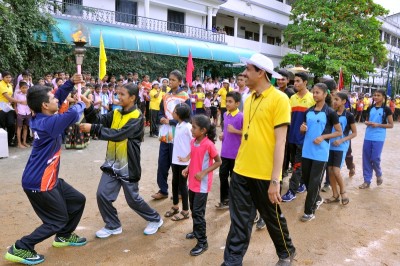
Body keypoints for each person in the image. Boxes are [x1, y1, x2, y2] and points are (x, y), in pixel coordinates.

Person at [4, 74, 88, 265]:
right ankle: (21, 247)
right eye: (53, 99)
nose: (57, 99)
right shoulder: (50, 123)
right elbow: (74, 113)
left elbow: (57, 94)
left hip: (48, 178)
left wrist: (70, 84)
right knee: (57, 220)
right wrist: (83, 102)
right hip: (40, 182)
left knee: (77, 200)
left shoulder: (41, 116)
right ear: (44, 105)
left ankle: (64, 236)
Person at [222, 53, 296, 266]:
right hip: (241, 170)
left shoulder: (280, 99)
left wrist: (275, 180)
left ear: (261, 72)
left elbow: (280, 142)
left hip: (264, 173)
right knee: (239, 221)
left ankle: (286, 252)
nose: (244, 74)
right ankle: (232, 262)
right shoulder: (247, 98)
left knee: (272, 217)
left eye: (248, 69)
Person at [80, 83, 164, 238]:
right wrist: (89, 106)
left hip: (128, 165)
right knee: (102, 194)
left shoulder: (137, 117)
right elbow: (99, 119)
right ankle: (113, 225)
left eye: (122, 94)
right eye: (118, 93)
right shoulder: (116, 113)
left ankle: (155, 219)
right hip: (112, 162)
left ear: (132, 98)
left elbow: (119, 134)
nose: (118, 97)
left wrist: (92, 129)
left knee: (133, 199)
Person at [300, 83, 342, 222]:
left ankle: (309, 211)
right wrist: (302, 128)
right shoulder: (308, 111)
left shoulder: (330, 113)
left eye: (318, 92)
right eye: (314, 92)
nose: (315, 95)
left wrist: (323, 137)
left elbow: (339, 131)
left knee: (314, 182)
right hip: (306, 151)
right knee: (306, 180)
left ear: (325, 94)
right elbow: (304, 129)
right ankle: (317, 198)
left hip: (320, 153)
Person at [180, 114, 221, 256]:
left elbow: (218, 161)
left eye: (194, 127)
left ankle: (203, 242)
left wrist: (204, 172)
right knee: (194, 209)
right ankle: (196, 231)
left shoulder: (208, 144)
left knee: (198, 212)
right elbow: (195, 159)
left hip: (202, 185)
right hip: (192, 182)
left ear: (203, 130)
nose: (191, 129)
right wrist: (187, 168)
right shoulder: (193, 142)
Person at [151, 70, 191, 200]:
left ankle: (180, 191)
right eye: (169, 79)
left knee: (177, 164)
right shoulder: (165, 96)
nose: (170, 82)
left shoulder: (185, 96)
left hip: (178, 134)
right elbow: (161, 112)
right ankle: (163, 190)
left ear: (180, 81)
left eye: (173, 80)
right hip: (165, 134)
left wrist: (172, 121)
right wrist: (162, 118)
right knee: (162, 162)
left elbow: (188, 117)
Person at [282, 72, 315, 202]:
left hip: (304, 139)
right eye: (294, 81)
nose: (295, 83)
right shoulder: (292, 98)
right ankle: (302, 184)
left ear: (305, 82)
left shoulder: (312, 98)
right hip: (291, 138)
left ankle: (292, 190)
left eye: (298, 81)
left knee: (297, 165)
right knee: (294, 163)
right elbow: (288, 118)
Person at [324, 92, 357, 205]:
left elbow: (354, 133)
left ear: (343, 101)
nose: (334, 102)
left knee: (336, 171)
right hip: (329, 146)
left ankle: (343, 192)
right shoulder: (330, 113)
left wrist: (342, 140)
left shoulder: (349, 115)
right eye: (333, 99)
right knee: (330, 171)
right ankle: (335, 195)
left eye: (337, 99)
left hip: (341, 147)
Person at [359, 89, 394, 189]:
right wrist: (367, 123)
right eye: (374, 95)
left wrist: (378, 125)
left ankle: (378, 174)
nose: (376, 97)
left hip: (379, 137)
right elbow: (367, 120)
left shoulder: (386, 109)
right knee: (366, 158)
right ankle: (366, 181)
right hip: (368, 136)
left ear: (383, 97)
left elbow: (391, 125)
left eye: (378, 95)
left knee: (375, 158)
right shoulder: (370, 108)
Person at [164, 103, 192, 221]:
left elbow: (195, 143)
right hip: (176, 160)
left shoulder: (188, 127)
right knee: (175, 182)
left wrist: (187, 158)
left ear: (179, 114)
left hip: (184, 163)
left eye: (175, 111)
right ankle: (175, 206)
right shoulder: (178, 125)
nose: (173, 113)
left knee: (182, 185)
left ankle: (185, 210)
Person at [216, 91, 243, 209]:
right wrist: (222, 135)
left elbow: (247, 133)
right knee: (222, 175)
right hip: (225, 152)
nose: (227, 103)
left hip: (236, 154)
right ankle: (224, 199)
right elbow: (226, 130)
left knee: (234, 179)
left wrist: (236, 131)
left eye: (230, 101)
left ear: (237, 103)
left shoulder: (241, 116)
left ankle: (234, 201)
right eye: (226, 101)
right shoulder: (225, 114)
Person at [0, 71, 18, 146]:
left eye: (9, 77)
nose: (8, 78)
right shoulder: (0, 84)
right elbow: (7, 96)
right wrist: (20, 101)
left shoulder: (10, 85)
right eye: (6, 77)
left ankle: (9, 140)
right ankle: (2, 143)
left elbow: (11, 96)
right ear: (3, 77)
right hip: (1, 107)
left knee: (11, 123)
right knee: (2, 125)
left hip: (8, 106)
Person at [14, 82, 31, 148]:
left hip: (28, 112)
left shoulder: (28, 95)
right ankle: (19, 143)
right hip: (20, 112)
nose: (25, 89)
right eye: (23, 88)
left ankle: (24, 142)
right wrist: (16, 112)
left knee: (26, 127)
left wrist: (31, 111)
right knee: (19, 127)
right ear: (20, 88)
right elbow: (15, 104)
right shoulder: (17, 94)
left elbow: (30, 103)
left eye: (26, 88)